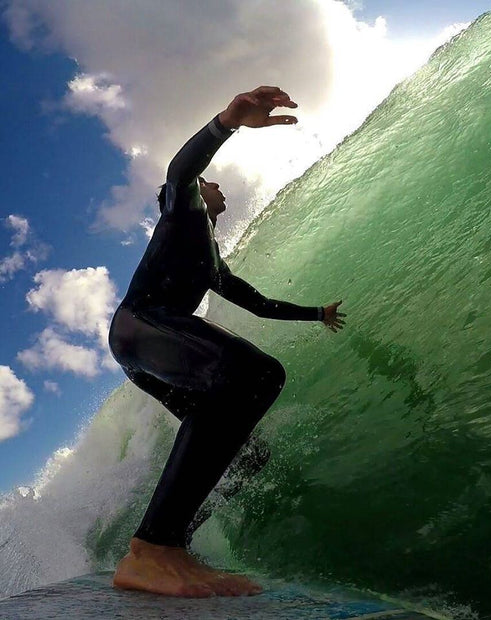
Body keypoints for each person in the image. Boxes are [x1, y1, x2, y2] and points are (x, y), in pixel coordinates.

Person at [108, 86, 346, 598]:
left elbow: (258, 303)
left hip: (144, 348)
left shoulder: (213, 263)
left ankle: (175, 541)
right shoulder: (181, 215)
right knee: (254, 373)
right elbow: (180, 172)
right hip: (142, 323)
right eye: (210, 185)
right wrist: (226, 122)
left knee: (248, 451)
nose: (217, 189)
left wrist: (316, 314)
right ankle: (154, 548)